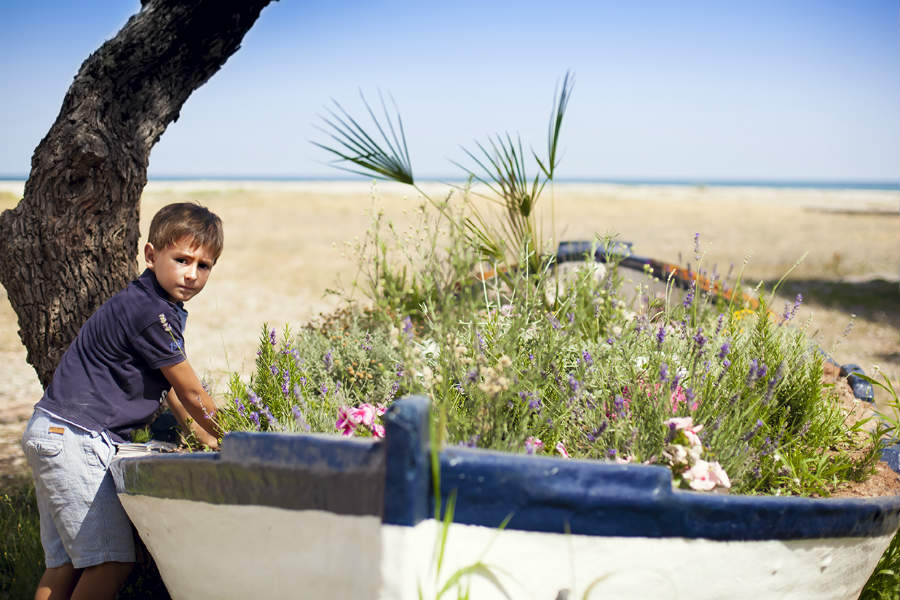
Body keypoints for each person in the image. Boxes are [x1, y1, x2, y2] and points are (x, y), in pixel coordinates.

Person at [21, 202, 223, 600]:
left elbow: (173, 392)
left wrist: (207, 438)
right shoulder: (151, 312)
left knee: (64, 564)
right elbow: (190, 391)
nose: (192, 274)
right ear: (151, 255)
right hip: (78, 438)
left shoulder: (149, 303)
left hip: (52, 431)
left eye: (204, 266)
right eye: (182, 260)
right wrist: (233, 436)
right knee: (111, 563)